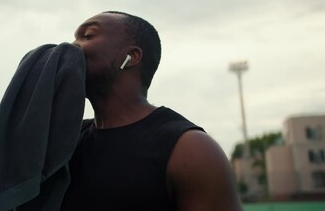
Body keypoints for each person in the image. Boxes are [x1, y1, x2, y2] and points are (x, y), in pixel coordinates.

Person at [59, 11, 243, 211]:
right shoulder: (64, 144)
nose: (71, 47)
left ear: (131, 57)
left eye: (87, 36)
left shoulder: (191, 150)